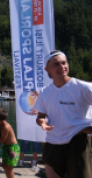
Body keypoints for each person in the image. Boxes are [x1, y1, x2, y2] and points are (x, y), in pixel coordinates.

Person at [34, 50, 92, 178]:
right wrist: (42, 122)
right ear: (47, 69)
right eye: (56, 64)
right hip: (52, 144)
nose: (62, 67)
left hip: (76, 144)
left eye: (64, 63)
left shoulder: (83, 87)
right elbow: (40, 116)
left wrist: (86, 129)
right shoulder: (44, 92)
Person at [0, 109, 20, 178]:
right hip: (6, 147)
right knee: (4, 166)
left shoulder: (5, 127)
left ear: (2, 120)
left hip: (12, 148)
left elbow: (2, 140)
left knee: (9, 168)